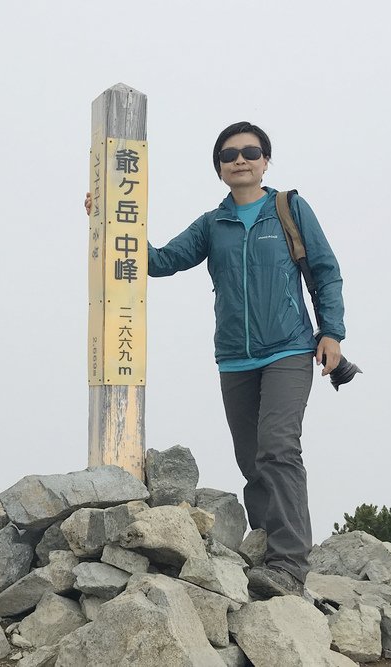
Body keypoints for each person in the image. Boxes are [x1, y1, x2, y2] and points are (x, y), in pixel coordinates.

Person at [85, 122, 345, 599]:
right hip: (234, 359)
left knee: (278, 448)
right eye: (229, 154)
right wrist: (108, 219)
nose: (240, 159)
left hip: (289, 348)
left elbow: (325, 272)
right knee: (252, 460)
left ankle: (290, 565)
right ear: (219, 167)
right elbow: (159, 261)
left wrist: (332, 332)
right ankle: (266, 550)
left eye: (250, 151)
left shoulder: (289, 208)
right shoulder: (212, 224)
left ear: (266, 160)